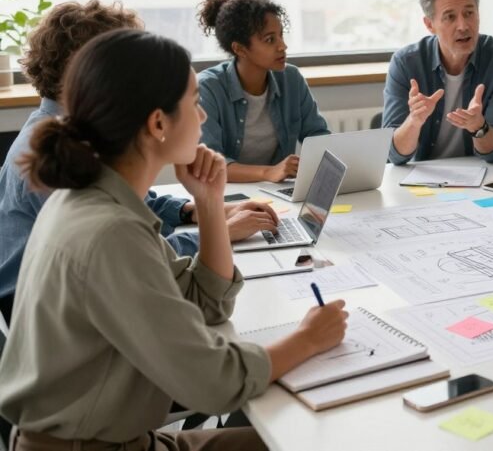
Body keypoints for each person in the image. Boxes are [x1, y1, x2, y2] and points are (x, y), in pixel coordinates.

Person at [0, 29, 349, 451]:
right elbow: (215, 383)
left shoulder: (101, 198)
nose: (202, 118)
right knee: (319, 437)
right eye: (195, 102)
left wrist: (209, 202)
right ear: (158, 123)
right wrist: (309, 338)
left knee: (298, 430)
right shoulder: (110, 229)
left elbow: (204, 299)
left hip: (114, 438)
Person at [0, 0, 277, 323]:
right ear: (95, 71)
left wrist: (194, 211)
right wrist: (219, 231)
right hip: (44, 313)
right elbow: (138, 255)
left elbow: (135, 204)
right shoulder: (56, 159)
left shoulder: (76, 134)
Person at [382, 0, 493, 164]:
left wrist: (478, 126)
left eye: (469, 13)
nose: (463, 25)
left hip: (480, 179)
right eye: (450, 17)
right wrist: (414, 121)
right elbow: (393, 155)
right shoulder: (406, 63)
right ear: (429, 24)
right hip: (420, 182)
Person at [197, 0, 330, 182]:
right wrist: (268, 172)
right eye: (270, 39)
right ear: (239, 49)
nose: (282, 46)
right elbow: (210, 166)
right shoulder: (208, 88)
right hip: (227, 195)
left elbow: (317, 135)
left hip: (276, 191)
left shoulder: (291, 78)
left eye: (281, 35)